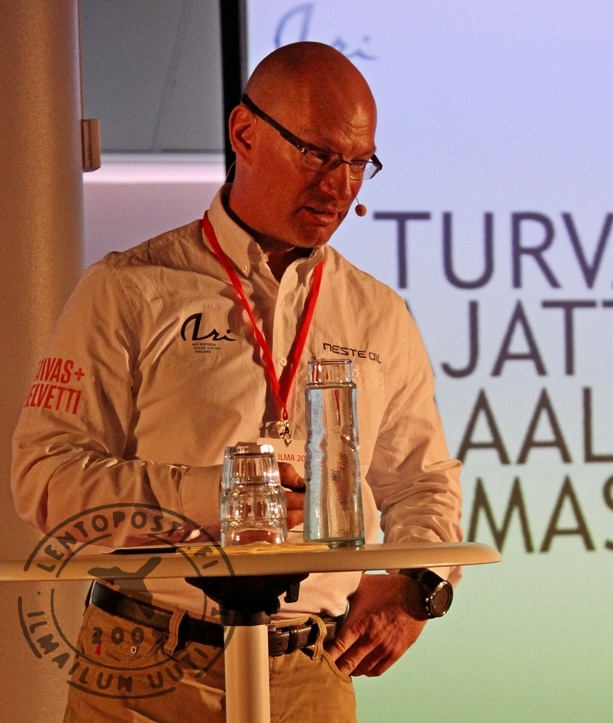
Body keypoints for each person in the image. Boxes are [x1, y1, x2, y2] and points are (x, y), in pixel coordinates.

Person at [10, 42, 462, 721]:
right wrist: (216, 497)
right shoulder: (128, 289)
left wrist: (418, 584)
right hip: (144, 669)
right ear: (245, 133)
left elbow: (422, 481)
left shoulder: (377, 313)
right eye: (317, 154)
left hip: (311, 673)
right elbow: (44, 478)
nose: (340, 186)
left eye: (358, 163)